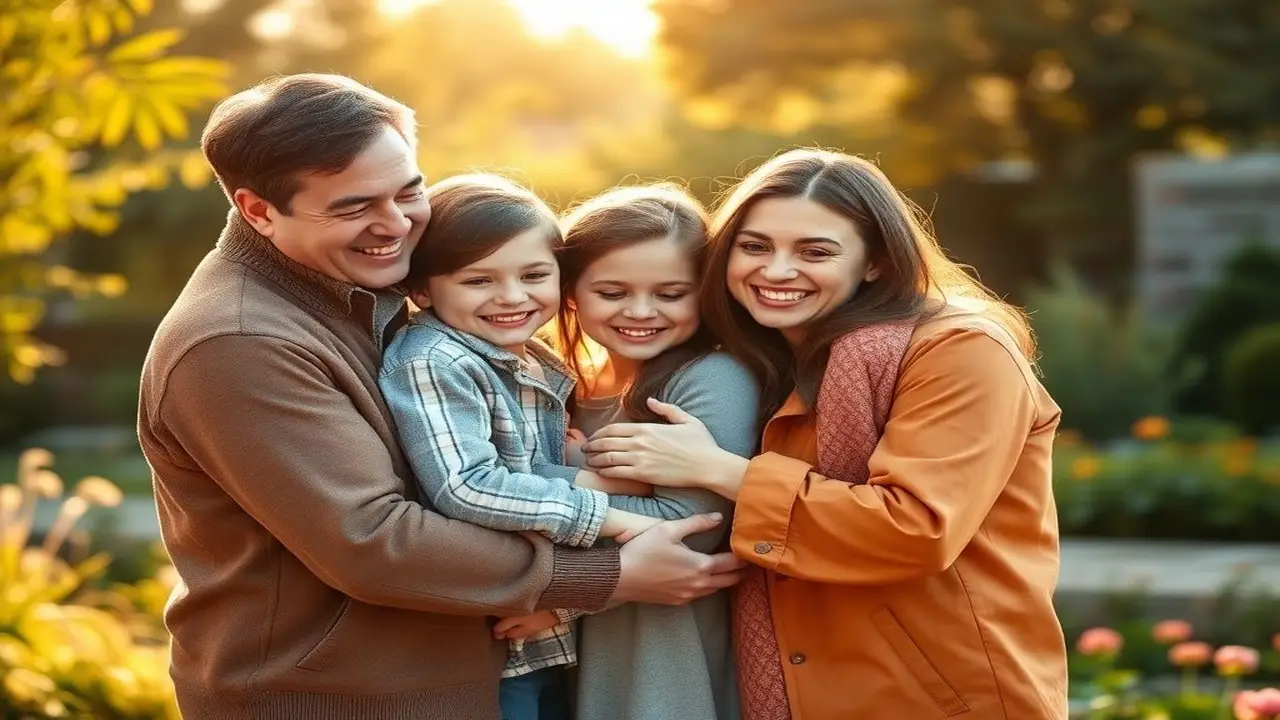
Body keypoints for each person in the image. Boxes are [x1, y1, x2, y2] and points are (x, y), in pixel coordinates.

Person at [136, 73, 743, 720]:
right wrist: (599, 577)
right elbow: (372, 538)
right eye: (353, 207)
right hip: (330, 698)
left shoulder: (365, 295)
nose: (396, 224)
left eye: (409, 191)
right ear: (260, 211)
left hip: (439, 679)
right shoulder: (238, 342)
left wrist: (585, 473)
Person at [584, 149, 1068, 719]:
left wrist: (720, 470)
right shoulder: (767, 360)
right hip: (804, 688)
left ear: (875, 263)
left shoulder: (960, 350)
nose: (777, 271)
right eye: (755, 246)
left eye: (815, 252)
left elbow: (915, 528)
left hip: (935, 692)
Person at [378, 174, 664, 720]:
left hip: (541, 638)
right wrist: (613, 514)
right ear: (421, 291)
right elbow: (467, 485)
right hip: (488, 642)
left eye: (534, 275)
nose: (512, 296)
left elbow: (527, 468)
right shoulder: (435, 361)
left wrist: (584, 462)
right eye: (478, 280)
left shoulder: (532, 360)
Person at [497, 185, 758, 720]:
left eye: (670, 293)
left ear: (704, 293)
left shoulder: (710, 377)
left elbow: (691, 527)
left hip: (659, 656)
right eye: (612, 292)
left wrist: (519, 484)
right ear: (570, 292)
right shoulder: (562, 384)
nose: (641, 311)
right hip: (567, 655)